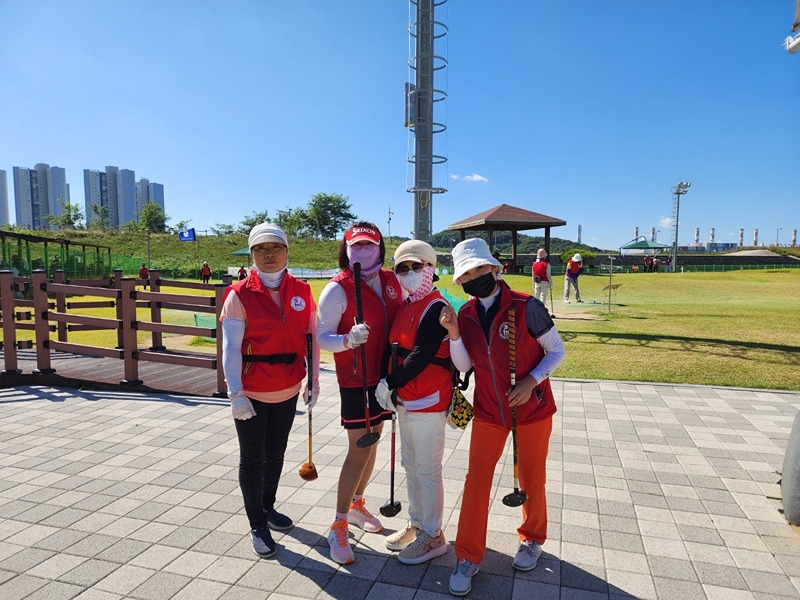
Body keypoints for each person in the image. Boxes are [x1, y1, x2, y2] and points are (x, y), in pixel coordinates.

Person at [438, 238, 566, 597]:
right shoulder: (464, 315)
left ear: (494, 268)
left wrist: (530, 381)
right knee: (476, 479)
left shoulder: (528, 307)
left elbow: (557, 351)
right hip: (490, 410)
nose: (475, 276)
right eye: (467, 273)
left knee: (531, 476)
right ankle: (467, 556)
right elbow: (465, 365)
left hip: (532, 408)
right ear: (460, 282)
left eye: (480, 268)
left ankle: (532, 537)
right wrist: (452, 335)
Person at [219, 223, 319, 559]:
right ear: (252, 255)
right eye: (261, 249)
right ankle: (257, 523)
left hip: (288, 388)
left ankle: (268, 506)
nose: (270, 254)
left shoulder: (302, 290)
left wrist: (314, 380)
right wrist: (236, 394)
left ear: (288, 251)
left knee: (276, 453)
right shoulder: (239, 294)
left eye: (276, 247)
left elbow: (311, 338)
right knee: (252, 458)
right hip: (252, 393)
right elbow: (230, 349)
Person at [316, 222, 403, 565]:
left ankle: (356, 505)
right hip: (356, 378)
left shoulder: (392, 280)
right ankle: (338, 523)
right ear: (347, 249)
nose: (364, 251)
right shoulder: (337, 289)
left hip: (386, 377)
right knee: (358, 449)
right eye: (357, 246)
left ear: (381, 248)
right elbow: (321, 337)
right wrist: (347, 340)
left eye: (370, 245)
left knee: (373, 444)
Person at [374, 240, 452, 565]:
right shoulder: (407, 304)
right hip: (406, 398)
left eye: (415, 267)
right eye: (401, 268)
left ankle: (433, 535)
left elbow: (421, 356)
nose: (408, 273)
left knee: (427, 469)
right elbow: (396, 349)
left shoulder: (436, 306)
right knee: (410, 466)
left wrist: (388, 383)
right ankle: (417, 523)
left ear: (430, 269)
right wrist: (391, 388)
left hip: (429, 400)